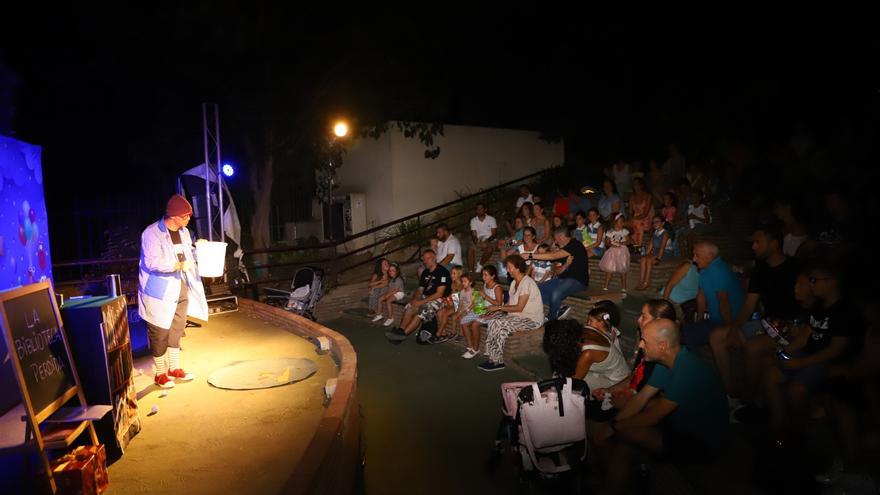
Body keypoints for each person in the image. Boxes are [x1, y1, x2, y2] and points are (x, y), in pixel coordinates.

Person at [595, 319, 728, 495]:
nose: (640, 345)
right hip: (680, 426)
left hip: (701, 442)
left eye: (645, 341)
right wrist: (613, 423)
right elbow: (641, 397)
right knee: (622, 447)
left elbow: (654, 416)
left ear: (662, 345)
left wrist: (612, 427)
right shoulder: (668, 361)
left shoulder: (687, 370)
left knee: (624, 435)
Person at [709, 224, 800, 403]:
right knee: (717, 336)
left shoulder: (794, 268)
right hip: (767, 324)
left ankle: (751, 398)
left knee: (752, 347)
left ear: (774, 244)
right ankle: (731, 393)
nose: (753, 246)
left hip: (791, 327)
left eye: (758, 242)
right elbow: (749, 304)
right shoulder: (761, 270)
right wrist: (735, 329)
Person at [138, 194, 208, 389]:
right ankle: (160, 374)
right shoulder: (152, 233)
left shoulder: (184, 232)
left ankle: (174, 368)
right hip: (160, 291)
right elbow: (151, 262)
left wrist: (198, 249)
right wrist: (177, 265)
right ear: (174, 216)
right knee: (160, 331)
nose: (188, 219)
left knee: (177, 328)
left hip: (181, 286)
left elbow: (187, 255)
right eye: (185, 216)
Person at [593, 299, 679, 409]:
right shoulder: (647, 342)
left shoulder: (664, 357)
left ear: (658, 322)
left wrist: (627, 401)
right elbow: (635, 375)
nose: (638, 320)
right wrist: (609, 390)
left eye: (644, 316)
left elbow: (661, 405)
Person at [478, 255, 544, 371]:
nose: (507, 270)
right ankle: (492, 359)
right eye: (507, 267)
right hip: (517, 317)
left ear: (518, 268)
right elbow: (508, 304)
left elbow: (519, 307)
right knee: (494, 322)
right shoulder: (514, 283)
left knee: (498, 324)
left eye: (509, 267)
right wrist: (495, 311)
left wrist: (498, 307)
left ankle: (496, 361)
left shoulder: (527, 283)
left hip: (531, 320)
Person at [681, 242, 745, 351]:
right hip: (714, 320)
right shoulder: (705, 269)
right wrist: (699, 321)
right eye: (694, 255)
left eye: (697, 255)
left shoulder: (718, 270)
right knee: (685, 330)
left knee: (686, 336)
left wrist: (730, 331)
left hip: (728, 322)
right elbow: (701, 296)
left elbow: (724, 303)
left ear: (710, 256)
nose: (694, 259)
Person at [385, 250, 450, 343]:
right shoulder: (425, 272)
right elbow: (420, 290)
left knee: (423, 311)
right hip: (425, 297)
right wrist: (415, 299)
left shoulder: (442, 272)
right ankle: (400, 332)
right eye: (424, 259)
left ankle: (402, 336)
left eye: (428, 258)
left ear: (434, 258)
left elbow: (439, 293)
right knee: (410, 307)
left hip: (440, 299)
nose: (425, 261)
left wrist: (420, 302)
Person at [529, 227, 589, 320]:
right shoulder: (562, 250)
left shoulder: (575, 245)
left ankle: (551, 318)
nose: (555, 242)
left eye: (556, 239)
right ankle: (559, 307)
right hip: (561, 279)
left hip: (578, 281)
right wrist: (565, 265)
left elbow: (553, 256)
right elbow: (556, 270)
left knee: (556, 292)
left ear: (561, 237)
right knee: (536, 289)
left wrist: (530, 255)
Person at [460, 265, 505, 359]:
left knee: (475, 324)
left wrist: (484, 296)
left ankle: (475, 349)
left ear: (492, 276)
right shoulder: (485, 284)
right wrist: (477, 303)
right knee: (463, 322)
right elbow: (483, 300)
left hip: (495, 311)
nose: (483, 277)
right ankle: (470, 347)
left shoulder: (497, 288)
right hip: (484, 309)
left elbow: (499, 304)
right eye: (482, 275)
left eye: (486, 275)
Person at [636, 216, 673, 290]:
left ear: (662, 223)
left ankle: (646, 282)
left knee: (649, 261)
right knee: (643, 259)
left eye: (657, 221)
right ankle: (641, 281)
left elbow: (662, 247)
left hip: (666, 252)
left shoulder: (665, 233)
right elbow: (650, 245)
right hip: (656, 251)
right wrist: (645, 255)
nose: (654, 223)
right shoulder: (655, 232)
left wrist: (658, 259)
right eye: (653, 222)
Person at [599, 214, 632, 291]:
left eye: (623, 222)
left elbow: (629, 241)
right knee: (609, 269)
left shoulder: (624, 231)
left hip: (622, 251)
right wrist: (611, 245)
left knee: (622, 271)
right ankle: (606, 285)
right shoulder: (610, 232)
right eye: (620, 222)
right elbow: (606, 242)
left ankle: (624, 287)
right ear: (615, 222)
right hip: (612, 251)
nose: (622, 224)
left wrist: (621, 243)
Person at [433, 265, 464, 343]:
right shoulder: (452, 283)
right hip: (454, 304)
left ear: (459, 274)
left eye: (454, 273)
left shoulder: (463, 285)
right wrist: (446, 300)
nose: (451, 275)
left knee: (446, 313)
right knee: (440, 312)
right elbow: (452, 296)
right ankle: (444, 333)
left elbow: (463, 300)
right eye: (451, 273)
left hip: (461, 306)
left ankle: (438, 333)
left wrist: (451, 303)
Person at [467, 203, 497, 273]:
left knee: (489, 249)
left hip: (490, 240)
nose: (479, 210)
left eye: (481, 209)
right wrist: (477, 242)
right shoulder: (473, 220)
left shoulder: (491, 219)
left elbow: (494, 234)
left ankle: (480, 265)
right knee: (470, 250)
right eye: (477, 209)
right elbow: (474, 235)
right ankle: (471, 271)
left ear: (485, 209)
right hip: (479, 240)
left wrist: (487, 241)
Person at [628, 177, 654, 249]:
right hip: (636, 218)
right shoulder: (632, 197)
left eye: (636, 184)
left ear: (641, 185)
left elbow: (646, 213)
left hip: (646, 218)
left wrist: (634, 219)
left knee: (638, 224)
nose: (635, 186)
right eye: (634, 184)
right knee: (631, 223)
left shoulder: (648, 196)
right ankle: (636, 245)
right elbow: (630, 212)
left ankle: (639, 245)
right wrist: (631, 220)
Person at [376, 263, 405, 327]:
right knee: (380, 298)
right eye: (390, 270)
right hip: (393, 292)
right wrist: (386, 294)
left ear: (397, 271)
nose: (391, 272)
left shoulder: (398, 279)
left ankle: (390, 318)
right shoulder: (391, 279)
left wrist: (388, 295)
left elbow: (396, 290)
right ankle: (379, 314)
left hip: (399, 293)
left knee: (388, 301)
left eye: (393, 270)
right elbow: (390, 289)